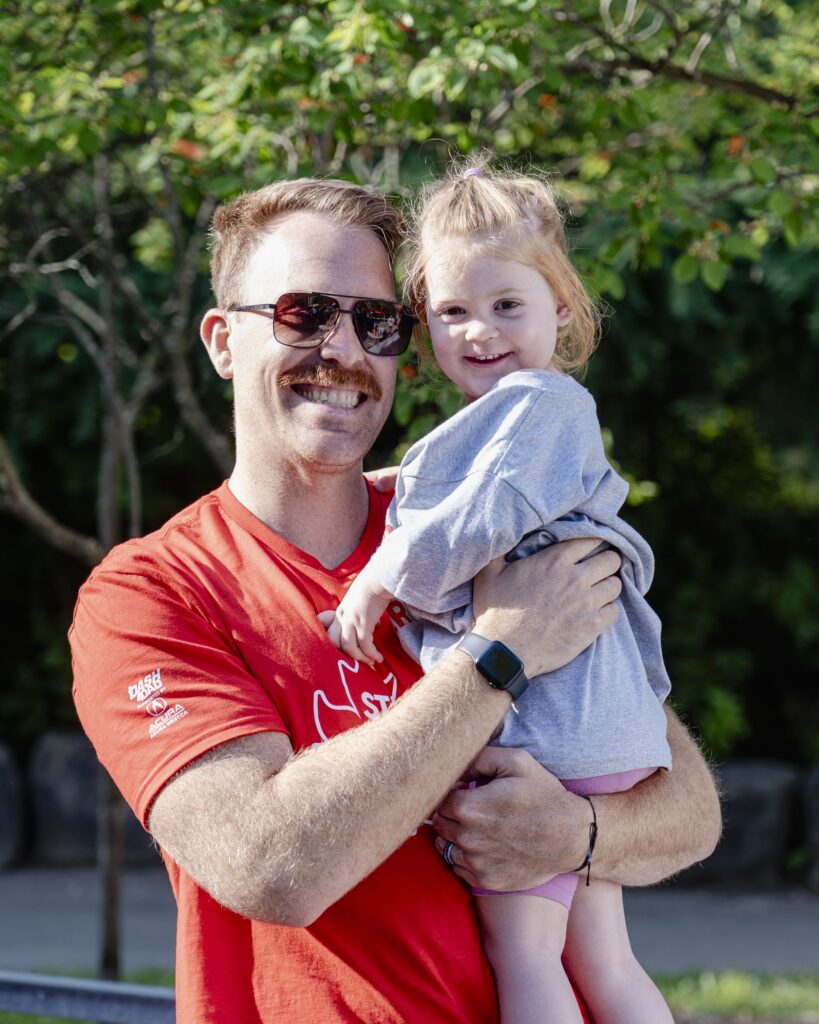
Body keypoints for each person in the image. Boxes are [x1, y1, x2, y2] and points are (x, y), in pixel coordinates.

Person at [70, 176, 721, 1024]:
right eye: (304, 313)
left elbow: (687, 808)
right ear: (224, 341)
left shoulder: (489, 532)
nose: (342, 347)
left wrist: (579, 835)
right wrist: (499, 652)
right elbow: (269, 866)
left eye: (375, 322)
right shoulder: (152, 593)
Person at [326, 160, 676, 1024]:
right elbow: (466, 490)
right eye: (452, 311)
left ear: (562, 305)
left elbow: (492, 509)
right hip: (592, 725)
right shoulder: (511, 415)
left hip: (551, 725)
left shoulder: (542, 401)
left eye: (506, 305)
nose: (478, 331)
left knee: (522, 953)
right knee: (602, 958)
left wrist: (384, 574)